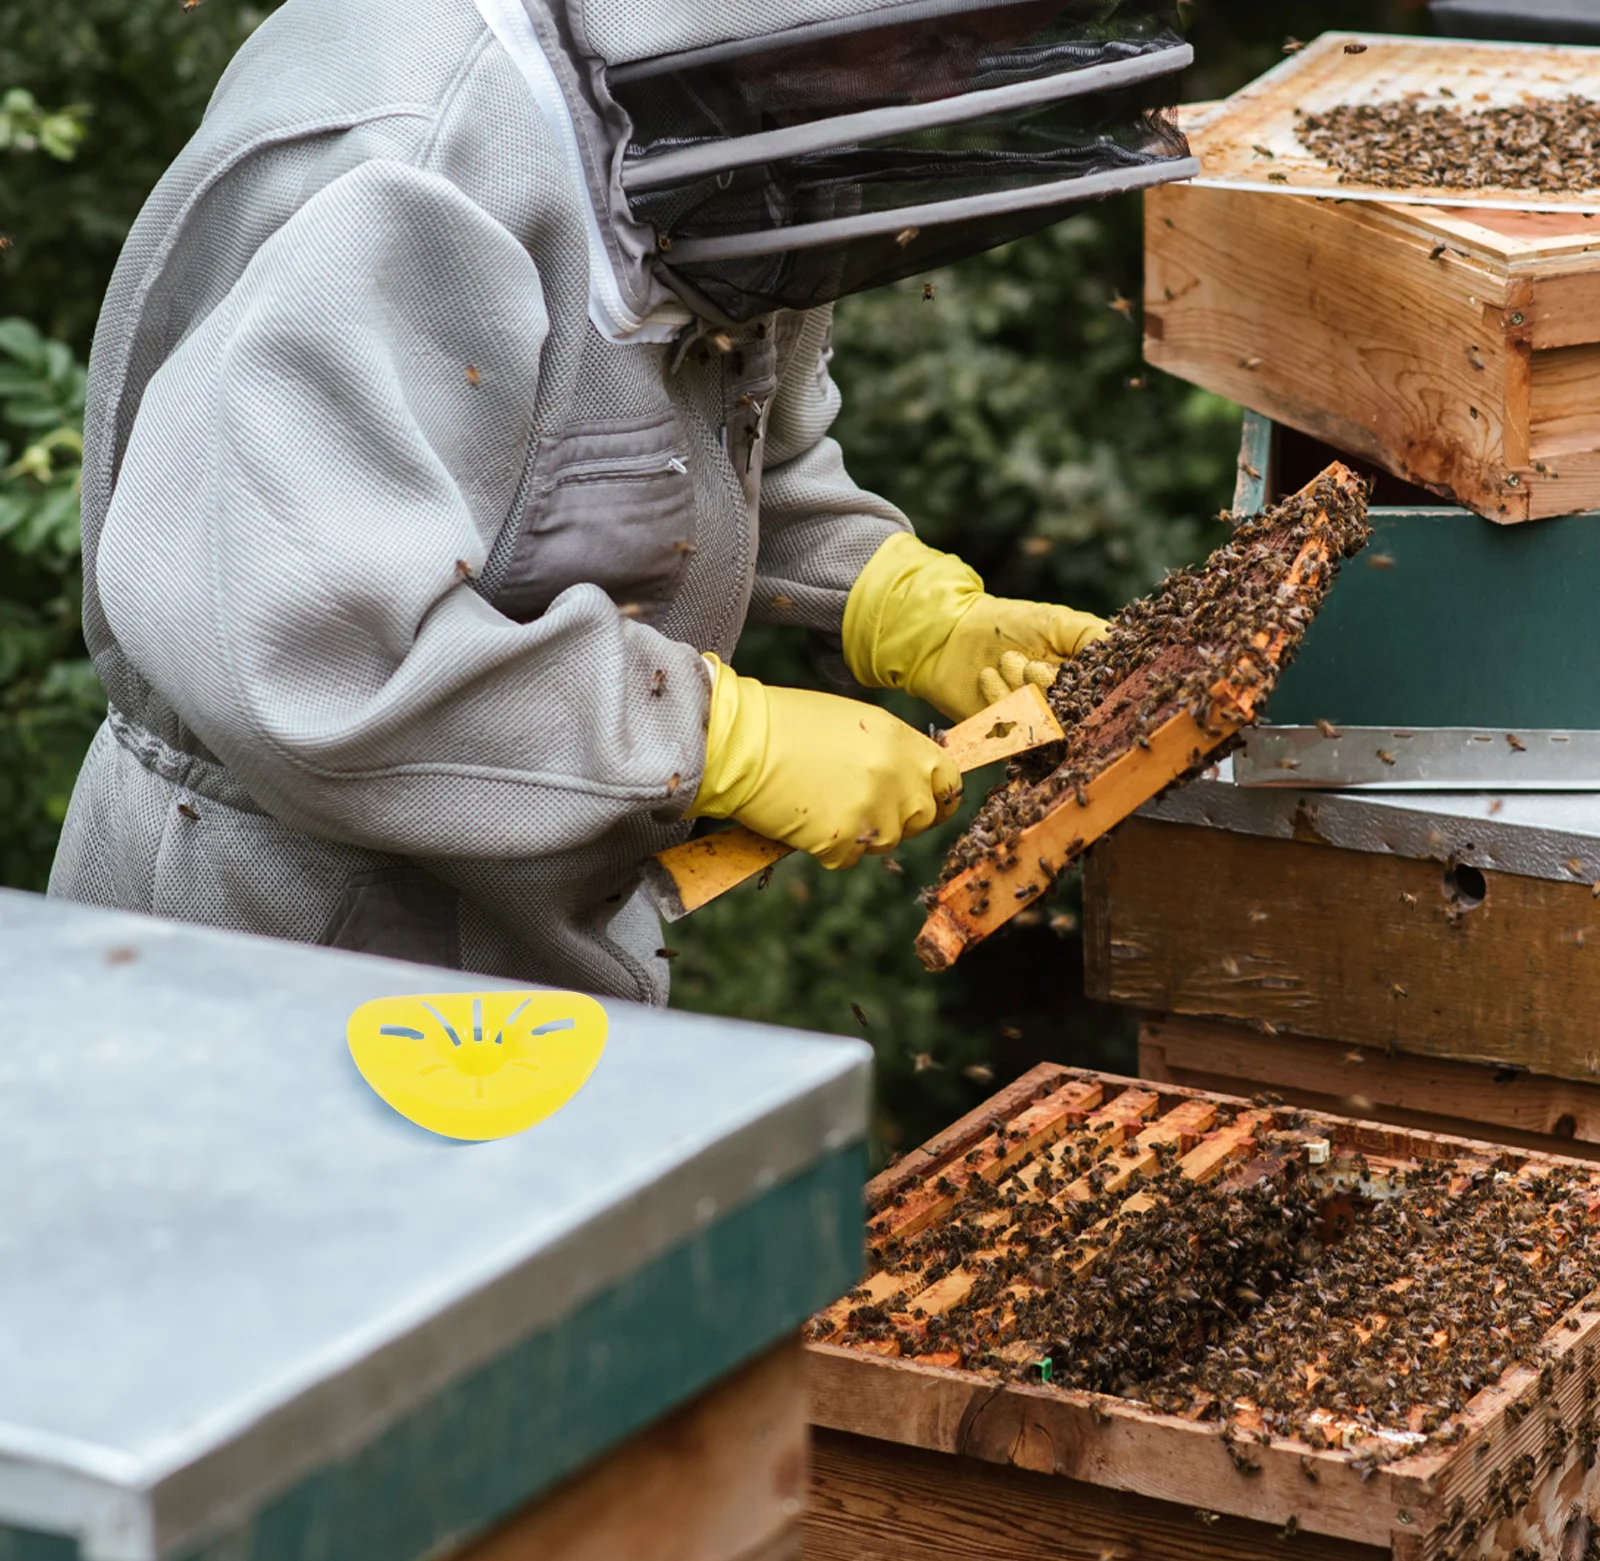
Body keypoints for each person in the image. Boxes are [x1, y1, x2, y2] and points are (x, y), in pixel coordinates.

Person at [49, 0, 1194, 1004]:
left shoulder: (720, 113)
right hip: (272, 948)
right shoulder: (413, 156)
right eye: (936, 37)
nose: (945, 86)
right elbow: (310, 652)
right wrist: (710, 739)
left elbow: (687, 456)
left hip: (514, 944)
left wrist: (891, 598)